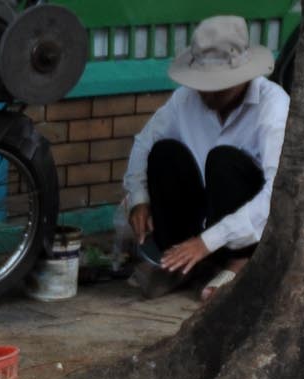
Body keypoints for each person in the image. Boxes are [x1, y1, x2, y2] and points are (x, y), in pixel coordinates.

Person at [119, 15, 289, 301]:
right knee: (164, 153)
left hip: (247, 232)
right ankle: (182, 261)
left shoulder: (273, 107)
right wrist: (139, 198)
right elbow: (144, 144)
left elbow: (276, 194)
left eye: (217, 86)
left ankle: (239, 262)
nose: (206, 94)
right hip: (199, 221)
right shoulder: (185, 100)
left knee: (223, 160)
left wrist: (207, 242)